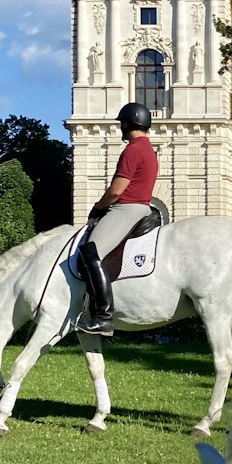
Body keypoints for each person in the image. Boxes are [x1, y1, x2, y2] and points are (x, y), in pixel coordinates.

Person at [76, 102, 159, 337]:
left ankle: (103, 317)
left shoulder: (133, 149)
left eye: (121, 124)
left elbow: (116, 190)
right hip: (143, 208)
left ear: (126, 123)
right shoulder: (149, 149)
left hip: (127, 209)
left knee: (91, 252)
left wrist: (98, 207)